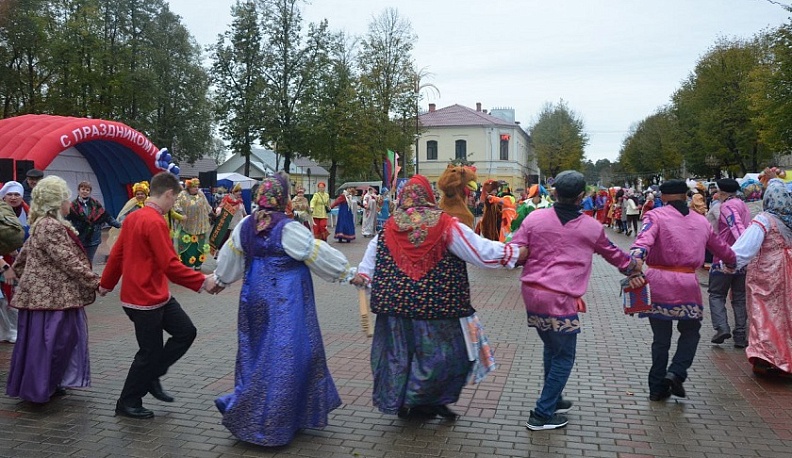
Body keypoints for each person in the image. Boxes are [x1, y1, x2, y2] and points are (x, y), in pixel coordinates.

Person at [351, 175, 526, 421]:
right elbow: (481, 253)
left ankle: (410, 401)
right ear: (429, 197)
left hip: (395, 308)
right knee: (444, 358)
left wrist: (363, 277)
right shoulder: (446, 225)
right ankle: (424, 402)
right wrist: (517, 252)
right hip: (438, 308)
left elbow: (369, 264)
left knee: (398, 357)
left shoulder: (388, 227)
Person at [210, 173, 355, 446]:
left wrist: (219, 280)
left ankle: (264, 413)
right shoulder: (288, 228)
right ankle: (273, 424)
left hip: (254, 296)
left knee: (257, 354)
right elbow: (314, 253)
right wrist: (348, 273)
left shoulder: (245, 225)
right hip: (285, 300)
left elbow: (231, 256)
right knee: (287, 356)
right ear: (283, 198)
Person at [509, 170, 642, 431]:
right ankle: (542, 413)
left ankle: (554, 398)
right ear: (581, 196)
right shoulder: (590, 227)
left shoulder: (535, 219)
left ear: (554, 192)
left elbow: (517, 251)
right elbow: (613, 254)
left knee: (552, 347)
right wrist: (633, 266)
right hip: (559, 298)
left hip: (532, 293)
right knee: (564, 356)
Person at [99, 172, 212, 419]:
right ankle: (127, 401)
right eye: (175, 199)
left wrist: (106, 284)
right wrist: (203, 281)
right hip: (143, 299)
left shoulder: (135, 218)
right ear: (169, 193)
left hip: (155, 294)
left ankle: (152, 375)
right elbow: (170, 264)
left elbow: (118, 255)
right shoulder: (154, 221)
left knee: (185, 331)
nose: (175, 204)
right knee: (148, 352)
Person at [630, 179, 736, 402]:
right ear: (685, 195)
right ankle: (677, 371)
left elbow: (643, 240)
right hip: (688, 282)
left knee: (661, 339)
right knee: (690, 332)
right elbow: (720, 247)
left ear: (664, 197)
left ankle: (657, 387)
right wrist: (732, 261)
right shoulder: (701, 221)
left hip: (658, 281)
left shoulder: (655, 216)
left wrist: (636, 259)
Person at [6, 176, 100, 403]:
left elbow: (26, 253)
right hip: (50, 299)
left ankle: (48, 383)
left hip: (49, 298)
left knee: (47, 343)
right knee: (53, 343)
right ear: (57, 202)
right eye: (66, 199)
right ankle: (41, 387)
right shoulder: (50, 226)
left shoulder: (43, 224)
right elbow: (66, 259)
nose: (70, 203)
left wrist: (14, 270)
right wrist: (95, 281)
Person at [731, 170, 792, 376]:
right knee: (786, 315)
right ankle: (787, 357)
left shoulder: (765, 219)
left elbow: (746, 247)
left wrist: (730, 262)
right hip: (788, 273)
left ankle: (768, 358)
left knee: (764, 313)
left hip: (767, 273)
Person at [708, 178, 751, 348]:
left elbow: (737, 227)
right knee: (740, 297)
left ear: (722, 192)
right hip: (743, 260)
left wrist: (737, 251)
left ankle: (722, 327)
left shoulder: (727, 206)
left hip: (725, 256)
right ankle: (740, 334)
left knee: (717, 294)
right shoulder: (743, 205)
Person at [0, 181, 29, 343]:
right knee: (3, 299)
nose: (13, 197)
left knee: (15, 296)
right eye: (9, 194)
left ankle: (15, 329)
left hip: (20, 263)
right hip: (4, 263)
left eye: (16, 194)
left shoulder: (27, 211)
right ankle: (7, 331)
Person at [66, 181, 121, 265]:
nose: (85, 191)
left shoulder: (95, 203)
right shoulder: (72, 205)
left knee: (89, 260)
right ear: (78, 190)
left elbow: (106, 216)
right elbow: (65, 219)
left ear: (90, 192)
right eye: (83, 189)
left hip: (93, 238)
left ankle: (88, 275)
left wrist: (119, 225)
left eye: (87, 190)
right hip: (79, 237)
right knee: (79, 259)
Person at [175, 178, 213, 270]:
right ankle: (186, 265)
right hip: (187, 226)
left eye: (197, 186)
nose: (196, 188)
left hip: (200, 226)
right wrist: (181, 213)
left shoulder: (201, 194)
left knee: (200, 246)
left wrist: (213, 212)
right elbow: (176, 205)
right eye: (193, 187)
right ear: (188, 188)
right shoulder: (182, 195)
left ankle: (198, 264)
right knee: (187, 245)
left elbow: (207, 205)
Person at [209, 183, 247, 254]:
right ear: (233, 191)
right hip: (228, 224)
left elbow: (244, 213)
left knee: (236, 240)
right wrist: (218, 211)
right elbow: (220, 207)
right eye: (238, 191)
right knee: (224, 239)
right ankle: (219, 252)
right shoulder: (227, 199)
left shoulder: (240, 201)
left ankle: (234, 255)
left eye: (240, 191)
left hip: (238, 224)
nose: (240, 193)